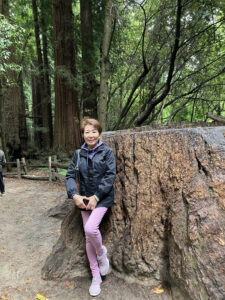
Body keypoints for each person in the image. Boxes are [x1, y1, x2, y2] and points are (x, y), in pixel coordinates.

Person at [66, 118, 116, 297]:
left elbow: (110, 176)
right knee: (88, 238)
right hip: (83, 199)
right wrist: (74, 195)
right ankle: (96, 276)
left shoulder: (107, 152)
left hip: (102, 198)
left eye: (94, 131)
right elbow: (70, 175)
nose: (90, 135)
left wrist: (96, 197)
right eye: (87, 132)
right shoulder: (78, 154)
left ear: (99, 133)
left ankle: (102, 253)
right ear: (83, 134)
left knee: (90, 228)